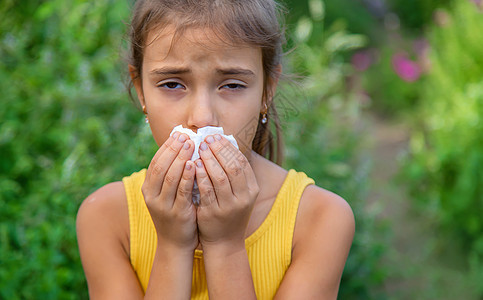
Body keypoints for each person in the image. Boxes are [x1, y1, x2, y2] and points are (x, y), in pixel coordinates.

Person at [76, 0, 355, 299]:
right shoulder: (105, 217)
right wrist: (172, 246)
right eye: (172, 84)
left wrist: (225, 245)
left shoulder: (321, 219)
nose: (202, 117)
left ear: (267, 90)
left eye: (232, 85)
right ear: (141, 89)